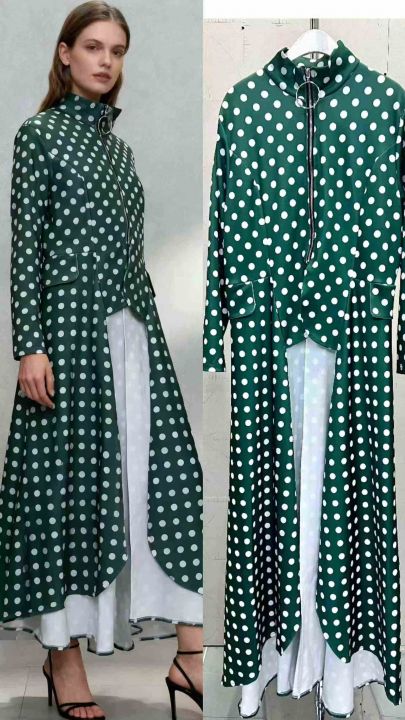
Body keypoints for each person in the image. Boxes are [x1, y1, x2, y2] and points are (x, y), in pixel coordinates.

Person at [0, 2, 203, 718]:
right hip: (66, 336)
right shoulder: (39, 136)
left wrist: (144, 336)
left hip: (131, 334)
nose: (105, 61)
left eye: (116, 50)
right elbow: (27, 248)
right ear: (64, 54)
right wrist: (30, 344)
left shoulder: (121, 152)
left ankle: (189, 653)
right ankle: (63, 658)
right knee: (67, 493)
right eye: (92, 47)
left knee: (163, 480)